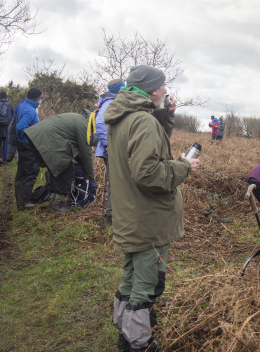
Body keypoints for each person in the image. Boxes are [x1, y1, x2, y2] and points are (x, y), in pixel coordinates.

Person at [105, 65, 198, 352]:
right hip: (148, 218)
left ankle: (125, 331)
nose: (166, 89)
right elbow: (148, 173)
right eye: (163, 85)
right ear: (154, 89)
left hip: (131, 213)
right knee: (146, 284)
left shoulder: (124, 117)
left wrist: (164, 115)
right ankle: (139, 343)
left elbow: (151, 146)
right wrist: (184, 166)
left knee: (131, 276)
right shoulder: (143, 122)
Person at [24, 113, 95, 212]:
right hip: (47, 139)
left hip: (39, 136)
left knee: (57, 170)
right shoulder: (84, 125)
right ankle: (58, 204)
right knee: (66, 169)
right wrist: (91, 177)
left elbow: (79, 153)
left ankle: (53, 200)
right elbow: (86, 152)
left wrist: (84, 166)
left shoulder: (80, 119)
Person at [96, 79, 124, 222]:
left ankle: (114, 214)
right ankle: (111, 216)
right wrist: (110, 144)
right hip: (111, 150)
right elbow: (100, 123)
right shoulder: (110, 103)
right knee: (116, 183)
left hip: (114, 149)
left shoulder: (112, 101)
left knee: (119, 182)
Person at [13, 87, 43, 211]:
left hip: (22, 144)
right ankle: (25, 202)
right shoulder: (30, 111)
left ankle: (20, 200)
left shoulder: (22, 105)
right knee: (31, 172)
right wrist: (24, 137)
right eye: (41, 98)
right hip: (28, 145)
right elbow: (20, 127)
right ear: (37, 99)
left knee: (22, 171)